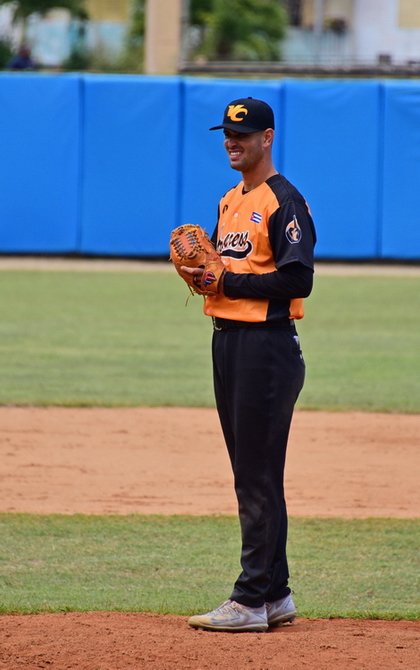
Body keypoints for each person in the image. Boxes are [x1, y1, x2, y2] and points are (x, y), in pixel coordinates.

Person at [184, 97, 317, 632]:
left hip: (266, 347)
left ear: (268, 137)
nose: (232, 141)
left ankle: (249, 600)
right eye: (227, 133)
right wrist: (202, 277)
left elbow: (296, 279)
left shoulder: (285, 202)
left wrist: (226, 282)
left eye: (244, 133)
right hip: (228, 343)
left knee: (256, 477)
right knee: (253, 472)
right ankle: (276, 594)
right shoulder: (228, 200)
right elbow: (218, 267)